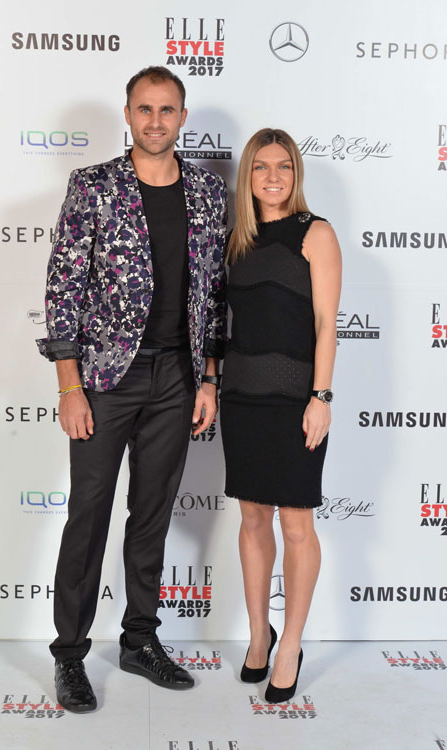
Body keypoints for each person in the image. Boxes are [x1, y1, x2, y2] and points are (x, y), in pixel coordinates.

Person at [37, 66, 227, 712]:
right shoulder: (93, 186)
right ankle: (70, 655)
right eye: (144, 109)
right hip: (103, 378)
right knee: (88, 513)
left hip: (178, 376)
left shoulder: (207, 192)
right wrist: (69, 385)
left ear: (182, 117)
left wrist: (209, 378)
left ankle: (140, 640)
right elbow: (63, 288)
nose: (155, 121)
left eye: (166, 110)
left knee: (151, 516)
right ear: (127, 114)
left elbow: (214, 294)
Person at [220, 128, 341, 702]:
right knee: (251, 520)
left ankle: (290, 643)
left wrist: (322, 397)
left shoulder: (316, 233)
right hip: (241, 399)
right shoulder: (235, 241)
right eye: (261, 166)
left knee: (296, 524)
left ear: (296, 174)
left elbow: (326, 323)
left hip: (296, 403)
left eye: (284, 166)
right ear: (248, 175)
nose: (273, 177)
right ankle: (258, 636)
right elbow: (222, 324)